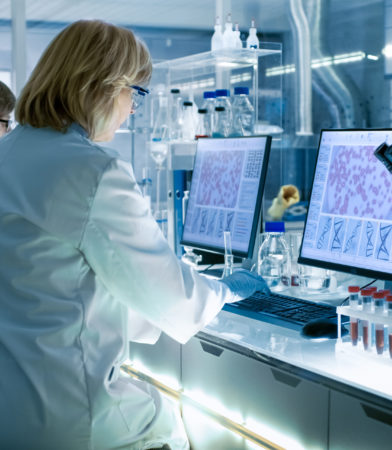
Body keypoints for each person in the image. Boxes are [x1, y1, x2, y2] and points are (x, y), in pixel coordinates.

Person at [0, 20, 268, 449]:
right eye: (135, 94)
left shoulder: (8, 153)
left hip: (12, 412)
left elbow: (58, 279)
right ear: (103, 86)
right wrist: (224, 290)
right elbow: (173, 299)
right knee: (183, 432)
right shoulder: (91, 170)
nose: (133, 109)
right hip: (72, 418)